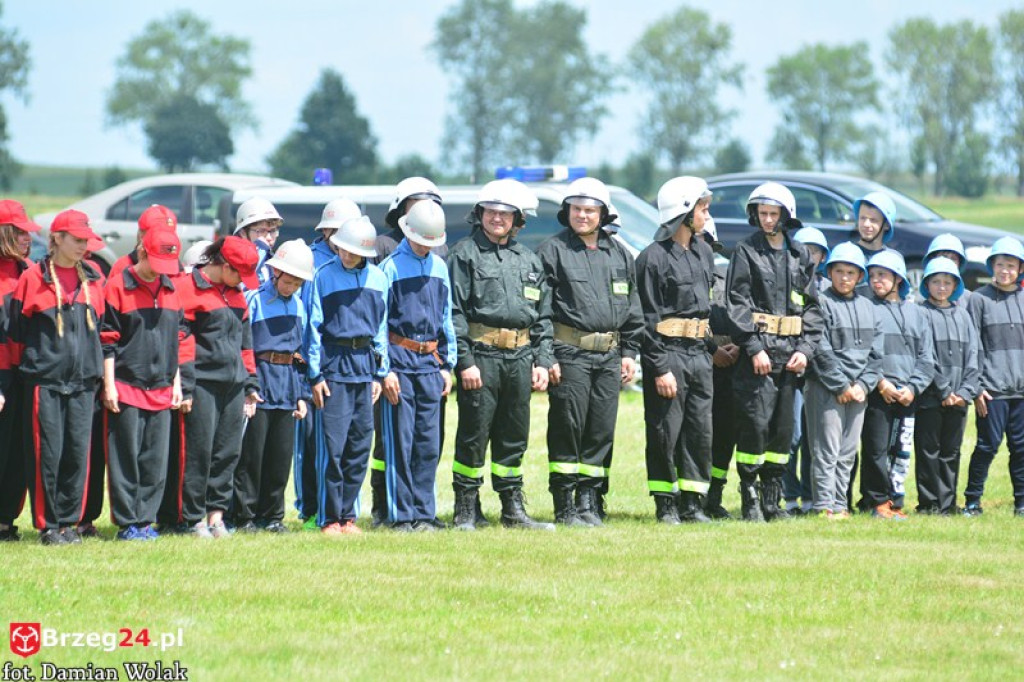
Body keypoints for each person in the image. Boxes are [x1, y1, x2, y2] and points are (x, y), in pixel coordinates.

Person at [447, 179, 554, 531]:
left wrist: (543, 359)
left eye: (505, 213)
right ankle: (465, 508)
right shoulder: (464, 254)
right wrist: (464, 362)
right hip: (481, 357)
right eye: (491, 211)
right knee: (474, 434)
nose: (497, 218)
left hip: (520, 360)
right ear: (480, 214)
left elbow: (543, 316)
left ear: (517, 219)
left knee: (514, 435)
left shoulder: (529, 259)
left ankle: (512, 509)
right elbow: (455, 311)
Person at [536, 177, 643, 526]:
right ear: (567, 211)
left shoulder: (619, 254)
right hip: (570, 354)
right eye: (576, 209)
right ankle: (565, 503)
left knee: (601, 429)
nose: (582, 216)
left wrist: (629, 353)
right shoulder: (552, 251)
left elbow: (633, 309)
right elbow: (541, 310)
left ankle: (590, 500)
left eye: (589, 210)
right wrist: (546, 356)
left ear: (602, 213)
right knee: (569, 425)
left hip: (609, 357)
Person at [7, 209, 106, 545]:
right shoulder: (33, 278)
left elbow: (102, 331)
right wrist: (37, 366)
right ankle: (48, 524)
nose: (83, 246)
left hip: (83, 382)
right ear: (57, 239)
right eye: (77, 240)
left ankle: (68, 521)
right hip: (45, 381)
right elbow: (16, 331)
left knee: (77, 453)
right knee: (46, 453)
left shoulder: (93, 277)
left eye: (86, 241)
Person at [725, 182, 821, 522]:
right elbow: (737, 304)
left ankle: (772, 499)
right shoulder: (745, 252)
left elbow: (812, 309)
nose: (767, 220)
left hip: (791, 359)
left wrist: (806, 351)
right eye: (762, 213)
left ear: (786, 215)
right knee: (755, 425)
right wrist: (753, 348)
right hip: (759, 358)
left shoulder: (801, 256)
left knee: (784, 431)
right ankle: (750, 497)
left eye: (773, 213)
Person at [636, 177, 717, 524]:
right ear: (684, 212)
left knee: (700, 431)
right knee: (664, 431)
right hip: (668, 355)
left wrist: (715, 348)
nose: (706, 214)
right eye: (702, 207)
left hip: (700, 355)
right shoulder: (652, 259)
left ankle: (692, 503)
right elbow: (644, 318)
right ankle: (665, 503)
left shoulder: (704, 252)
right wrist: (660, 367)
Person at [101, 228, 187, 540]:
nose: (163, 271)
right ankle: (127, 523)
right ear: (142, 251)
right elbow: (107, 341)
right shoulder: (117, 287)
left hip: (163, 388)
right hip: (126, 386)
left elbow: (176, 340)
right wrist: (109, 385)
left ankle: (146, 521)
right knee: (126, 458)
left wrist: (176, 382)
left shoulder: (171, 289)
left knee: (155, 459)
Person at [370, 177, 446, 527]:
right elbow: (379, 324)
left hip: (430, 366)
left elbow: (447, 319)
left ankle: (424, 514)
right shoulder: (388, 269)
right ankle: (401, 516)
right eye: (418, 241)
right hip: (399, 363)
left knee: (428, 445)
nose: (422, 248)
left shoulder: (440, 267)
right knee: (400, 445)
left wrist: (448, 365)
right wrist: (385, 370)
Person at [306, 216, 389, 535]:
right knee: (334, 445)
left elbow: (380, 329)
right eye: (341, 249)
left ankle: (348, 516)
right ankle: (329, 518)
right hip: (333, 364)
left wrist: (380, 374)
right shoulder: (323, 276)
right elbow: (313, 326)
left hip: (364, 365)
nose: (345, 255)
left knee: (359, 444)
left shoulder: (379, 279)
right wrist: (315, 375)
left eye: (352, 251)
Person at [175, 236, 261, 538]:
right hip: (202, 383)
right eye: (239, 273)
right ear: (223, 264)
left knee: (227, 452)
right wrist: (185, 386)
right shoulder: (188, 288)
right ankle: (194, 517)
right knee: (199, 450)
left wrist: (250, 382)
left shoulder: (236, 294)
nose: (242, 281)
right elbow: (182, 342)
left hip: (233, 385)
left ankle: (216, 516)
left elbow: (245, 344)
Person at [232, 240, 313, 533]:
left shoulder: (300, 305)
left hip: (288, 384)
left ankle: (273, 516)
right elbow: (245, 348)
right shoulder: (253, 300)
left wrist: (302, 395)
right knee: (252, 455)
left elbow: (300, 353)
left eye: (297, 283)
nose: (291, 287)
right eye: (288, 281)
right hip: (261, 381)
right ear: (274, 272)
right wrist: (248, 388)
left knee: (280, 456)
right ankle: (245, 516)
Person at [293, 198, 363, 530]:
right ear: (325, 230)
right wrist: (308, 370)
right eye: (333, 231)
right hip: (312, 364)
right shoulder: (311, 260)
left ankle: (345, 511)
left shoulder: (355, 260)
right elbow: (307, 321)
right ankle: (311, 510)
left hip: (342, 365)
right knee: (313, 445)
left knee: (346, 441)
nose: (339, 238)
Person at [804, 243, 880, 518]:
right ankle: (824, 504)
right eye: (839, 271)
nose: (845, 277)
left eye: (851, 272)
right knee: (826, 449)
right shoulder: (820, 302)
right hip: (826, 388)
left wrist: (862, 386)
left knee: (848, 452)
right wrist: (841, 385)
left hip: (858, 391)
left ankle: (840, 504)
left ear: (860, 276)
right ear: (830, 272)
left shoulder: (869, 307)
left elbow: (877, 355)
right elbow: (820, 348)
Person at [860, 250, 933, 519]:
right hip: (879, 392)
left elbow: (927, 358)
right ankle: (875, 501)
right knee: (876, 449)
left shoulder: (917, 313)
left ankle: (895, 501)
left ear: (898, 279)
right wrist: (880, 383)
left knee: (901, 451)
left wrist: (913, 388)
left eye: (883, 275)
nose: (876, 280)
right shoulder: (867, 308)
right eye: (873, 275)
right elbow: (865, 352)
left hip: (907, 394)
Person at [963, 237, 1024, 517]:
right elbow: (972, 345)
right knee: (987, 446)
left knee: (1021, 449)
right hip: (991, 391)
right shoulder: (979, 299)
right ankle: (973, 500)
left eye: (1011, 265)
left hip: (1021, 391)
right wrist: (976, 388)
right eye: (1000, 264)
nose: (1005, 271)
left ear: (1020, 269)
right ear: (992, 266)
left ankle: (1021, 502)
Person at [914, 257, 979, 515]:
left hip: (959, 400)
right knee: (929, 451)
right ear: (927, 284)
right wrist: (944, 391)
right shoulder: (921, 313)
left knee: (951, 453)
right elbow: (925, 355)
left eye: (947, 282)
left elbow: (974, 356)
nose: (942, 287)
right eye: (936, 282)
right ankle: (928, 503)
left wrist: (963, 392)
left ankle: (947, 503)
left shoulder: (963, 315)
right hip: (931, 397)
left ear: (955, 286)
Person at [0, 200, 40, 542]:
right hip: (1, 375)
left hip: (24, 372)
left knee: (18, 450)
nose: (28, 238)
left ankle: (6, 520)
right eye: (21, 232)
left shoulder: (28, 270)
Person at [785, 226, 831, 516]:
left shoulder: (829, 287)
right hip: (790, 368)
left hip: (818, 373)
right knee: (792, 435)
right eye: (804, 249)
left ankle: (810, 495)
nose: (809, 256)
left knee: (815, 438)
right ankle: (789, 495)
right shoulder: (785, 280)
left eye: (815, 251)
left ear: (823, 256)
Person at [704, 218, 741, 519]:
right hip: (695, 362)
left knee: (725, 435)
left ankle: (713, 495)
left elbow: (749, 314)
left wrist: (739, 347)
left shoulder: (730, 275)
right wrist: (712, 350)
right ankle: (688, 496)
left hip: (731, 367)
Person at [108, 204, 179, 282]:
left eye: (168, 234)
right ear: (141, 235)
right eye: (155, 234)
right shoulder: (123, 266)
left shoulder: (177, 270)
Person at [234, 198, 284, 285]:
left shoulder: (273, 262)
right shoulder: (231, 263)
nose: (268, 237)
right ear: (243, 233)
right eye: (261, 231)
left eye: (272, 231)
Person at [851, 191, 897, 265]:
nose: (866, 224)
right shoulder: (846, 254)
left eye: (873, 220)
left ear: (887, 225)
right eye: (862, 218)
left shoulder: (892, 260)